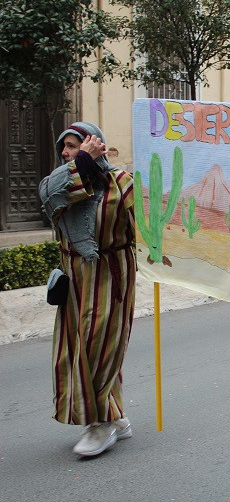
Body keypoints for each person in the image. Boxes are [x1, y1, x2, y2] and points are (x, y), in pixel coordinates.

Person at [38, 122, 136, 457]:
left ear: (96, 145)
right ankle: (115, 417)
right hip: (74, 277)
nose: (67, 152)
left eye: (75, 145)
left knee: (99, 347)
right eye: (64, 147)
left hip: (111, 276)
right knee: (72, 350)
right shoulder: (58, 180)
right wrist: (82, 163)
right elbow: (50, 197)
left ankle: (99, 425)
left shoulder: (121, 183)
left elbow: (147, 227)